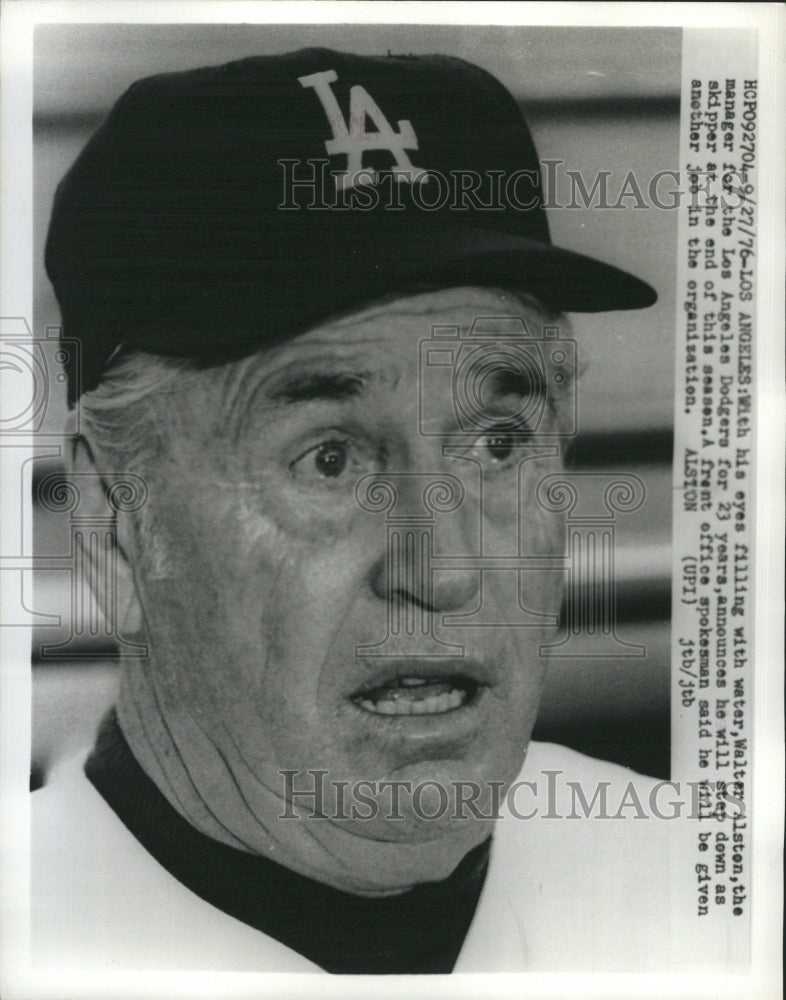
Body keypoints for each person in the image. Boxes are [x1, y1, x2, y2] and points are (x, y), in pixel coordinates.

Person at [32, 47, 669, 973]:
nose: (442, 568)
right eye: (329, 459)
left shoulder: (705, 893)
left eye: (496, 444)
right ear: (116, 527)